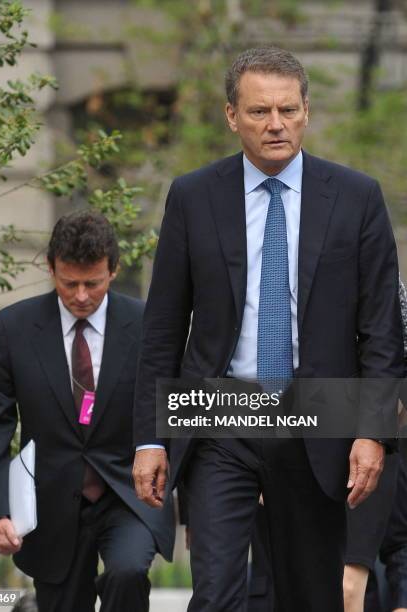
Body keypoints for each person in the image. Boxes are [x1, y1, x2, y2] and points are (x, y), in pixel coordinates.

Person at [132, 46, 404, 612]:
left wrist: (373, 431)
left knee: (309, 596)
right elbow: (162, 328)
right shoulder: (192, 196)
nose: (275, 124)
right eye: (259, 112)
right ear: (232, 116)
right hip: (218, 414)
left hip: (318, 414)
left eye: (286, 109)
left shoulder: (357, 198)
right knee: (216, 594)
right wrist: (151, 437)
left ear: (307, 111)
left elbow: (381, 330)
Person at [0, 211, 175, 612]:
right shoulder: (13, 328)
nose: (81, 295)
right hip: (50, 503)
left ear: (113, 271)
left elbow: (176, 406)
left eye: (92, 283)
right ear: (51, 269)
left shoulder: (148, 324)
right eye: (69, 283)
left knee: (127, 573)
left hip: (128, 494)